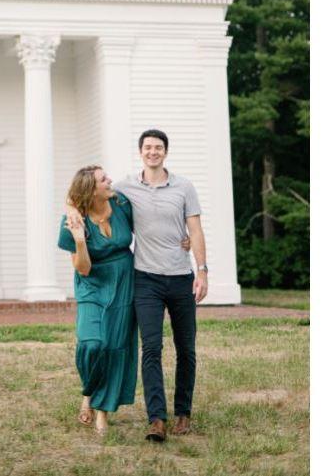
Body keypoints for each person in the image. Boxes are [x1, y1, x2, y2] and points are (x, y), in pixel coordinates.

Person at [67, 129, 207, 443]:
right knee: (151, 349)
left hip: (180, 277)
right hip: (144, 279)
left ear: (166, 152)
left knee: (186, 349)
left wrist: (202, 270)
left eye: (158, 147)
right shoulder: (126, 187)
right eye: (148, 147)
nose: (153, 152)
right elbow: (81, 194)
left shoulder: (183, 186)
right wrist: (71, 213)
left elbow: (195, 231)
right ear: (140, 152)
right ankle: (156, 419)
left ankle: (183, 412)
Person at [57, 165, 137, 436]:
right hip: (92, 283)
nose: (110, 180)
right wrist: (80, 240)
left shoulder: (121, 203)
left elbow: (152, 222)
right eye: (104, 179)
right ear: (91, 190)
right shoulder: (73, 220)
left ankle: (102, 412)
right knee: (92, 344)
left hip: (124, 282)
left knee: (114, 346)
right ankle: (88, 391)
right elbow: (83, 268)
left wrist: (180, 239)